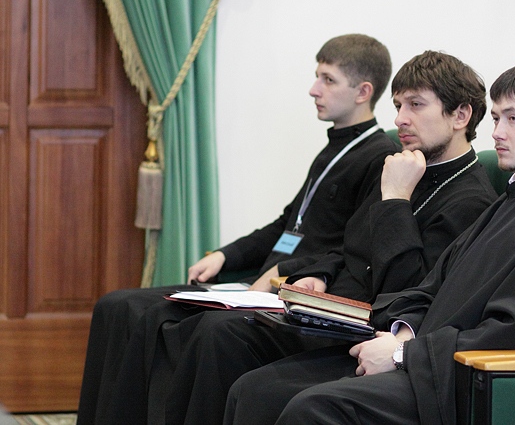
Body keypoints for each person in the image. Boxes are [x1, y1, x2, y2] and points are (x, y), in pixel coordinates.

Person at [102, 51, 498, 425]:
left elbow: (407, 291)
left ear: (460, 115)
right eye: (397, 106)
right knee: (211, 330)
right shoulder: (406, 169)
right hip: (327, 308)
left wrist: (395, 200)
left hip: (361, 330)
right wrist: (319, 275)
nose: (400, 119)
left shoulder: (469, 200)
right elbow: (349, 246)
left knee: (224, 340)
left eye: (415, 105)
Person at [223, 60, 515, 425]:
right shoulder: (512, 200)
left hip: (465, 386)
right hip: (428, 359)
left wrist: (402, 353)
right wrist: (402, 334)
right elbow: (433, 287)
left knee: (312, 407)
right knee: (254, 389)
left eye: (513, 118)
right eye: (497, 118)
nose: (497, 132)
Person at [77, 33, 399, 425]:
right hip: (258, 281)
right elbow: (286, 224)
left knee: (155, 319)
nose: (314, 89)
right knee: (115, 306)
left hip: (289, 292)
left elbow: (353, 250)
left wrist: (285, 271)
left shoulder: (379, 157)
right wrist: (224, 255)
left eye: (328, 80)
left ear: (363, 91)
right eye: (317, 76)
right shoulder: (334, 148)